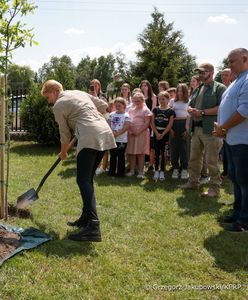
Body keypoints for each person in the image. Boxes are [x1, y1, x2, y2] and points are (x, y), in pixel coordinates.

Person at [41, 80, 116, 242]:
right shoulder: (78, 93)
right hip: (104, 131)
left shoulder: (59, 105)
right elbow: (104, 106)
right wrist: (86, 117)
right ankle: (86, 218)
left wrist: (63, 153)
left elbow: (64, 134)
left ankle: (93, 226)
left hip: (89, 136)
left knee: (83, 180)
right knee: (87, 179)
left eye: (48, 97)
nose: (49, 101)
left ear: (53, 92)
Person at [213, 48, 248, 232]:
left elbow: (244, 111)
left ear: (245, 59)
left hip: (243, 141)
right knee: (236, 178)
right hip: (232, 139)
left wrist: (224, 127)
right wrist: (222, 128)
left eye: (232, 61)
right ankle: (237, 213)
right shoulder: (238, 80)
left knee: (245, 181)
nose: (229, 65)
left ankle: (244, 221)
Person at [180, 62, 226, 197]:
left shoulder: (219, 88)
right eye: (199, 72)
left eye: (203, 72)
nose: (200, 74)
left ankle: (214, 189)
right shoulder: (198, 88)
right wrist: (190, 109)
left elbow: (221, 108)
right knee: (194, 158)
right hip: (196, 129)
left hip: (211, 130)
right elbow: (190, 105)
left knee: (212, 161)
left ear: (211, 72)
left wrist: (202, 113)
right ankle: (193, 183)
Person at [126, 92, 152, 178]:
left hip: (142, 132)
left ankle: (141, 171)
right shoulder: (130, 110)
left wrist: (138, 131)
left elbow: (147, 123)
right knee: (132, 152)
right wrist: (131, 130)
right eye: (135, 101)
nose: (137, 103)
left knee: (141, 153)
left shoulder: (146, 110)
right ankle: (132, 170)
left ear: (142, 100)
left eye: (138, 101)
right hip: (132, 132)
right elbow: (128, 121)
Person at [151, 91, 175, 181]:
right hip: (156, 134)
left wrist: (163, 134)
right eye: (159, 99)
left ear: (168, 99)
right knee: (156, 153)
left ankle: (162, 171)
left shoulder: (170, 111)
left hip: (165, 134)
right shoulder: (155, 109)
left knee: (163, 153)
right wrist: (156, 133)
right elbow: (152, 122)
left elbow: (170, 124)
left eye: (163, 99)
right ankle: (156, 170)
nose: (161, 101)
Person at [89, 79, 109, 176]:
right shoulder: (87, 96)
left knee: (103, 146)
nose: (94, 87)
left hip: (102, 122)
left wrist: (95, 96)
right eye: (92, 85)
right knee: (94, 145)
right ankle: (96, 165)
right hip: (92, 122)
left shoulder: (103, 96)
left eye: (96, 85)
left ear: (99, 86)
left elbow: (104, 107)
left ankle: (104, 166)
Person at [170, 83, 190, 180]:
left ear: (185, 92)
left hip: (184, 125)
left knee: (184, 148)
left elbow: (189, 116)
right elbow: (169, 115)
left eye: (182, 91)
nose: (180, 93)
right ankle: (175, 168)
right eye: (178, 90)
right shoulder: (172, 101)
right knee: (174, 148)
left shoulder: (189, 101)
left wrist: (187, 129)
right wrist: (170, 128)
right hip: (174, 125)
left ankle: (184, 169)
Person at [108, 97, 130, 177]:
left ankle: (121, 173)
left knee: (121, 156)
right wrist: (112, 133)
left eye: (119, 105)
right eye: (116, 106)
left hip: (122, 140)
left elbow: (127, 126)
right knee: (113, 156)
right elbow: (108, 124)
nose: (117, 107)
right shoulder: (111, 115)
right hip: (112, 138)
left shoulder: (126, 115)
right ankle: (111, 172)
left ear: (124, 106)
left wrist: (118, 133)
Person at [140, 80, 157, 171]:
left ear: (149, 86)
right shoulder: (140, 97)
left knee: (151, 143)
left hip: (150, 122)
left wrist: (148, 120)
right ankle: (142, 163)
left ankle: (151, 163)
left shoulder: (153, 97)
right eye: (142, 85)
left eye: (145, 85)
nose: (144, 87)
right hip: (140, 122)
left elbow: (153, 110)